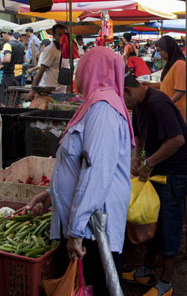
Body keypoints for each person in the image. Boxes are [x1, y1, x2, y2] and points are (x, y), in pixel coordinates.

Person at [26, 47, 134, 295]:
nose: (76, 76)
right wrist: (49, 195)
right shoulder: (94, 104)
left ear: (93, 70)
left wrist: (75, 231)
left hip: (94, 227)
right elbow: (75, 166)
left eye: (80, 69)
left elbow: (96, 172)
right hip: (88, 221)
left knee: (98, 284)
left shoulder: (103, 110)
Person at [123, 74, 187, 296]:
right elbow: (139, 138)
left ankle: (165, 283)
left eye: (121, 97)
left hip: (173, 175)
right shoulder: (139, 105)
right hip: (157, 173)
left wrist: (148, 162)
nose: (121, 103)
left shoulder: (158, 103)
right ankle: (146, 270)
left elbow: (176, 140)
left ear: (127, 90)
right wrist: (137, 157)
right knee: (153, 222)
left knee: (169, 227)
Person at [146, 36, 187, 121]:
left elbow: (181, 90)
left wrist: (167, 104)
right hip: (167, 110)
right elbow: (167, 84)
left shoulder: (180, 64)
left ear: (169, 49)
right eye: (158, 50)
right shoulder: (170, 64)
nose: (160, 53)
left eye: (162, 50)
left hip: (175, 111)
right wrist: (151, 85)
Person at [27, 25, 67, 101]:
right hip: (49, 92)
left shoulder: (64, 48)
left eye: (64, 35)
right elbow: (41, 70)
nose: (62, 37)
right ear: (54, 35)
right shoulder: (51, 49)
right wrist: (33, 91)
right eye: (59, 34)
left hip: (60, 91)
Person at [0, 30, 25, 104]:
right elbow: (24, 60)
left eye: (2, 35)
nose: (2, 37)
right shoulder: (22, 45)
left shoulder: (8, 45)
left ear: (5, 34)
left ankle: (8, 114)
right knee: (18, 98)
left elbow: (7, 59)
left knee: (8, 97)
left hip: (9, 74)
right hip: (19, 74)